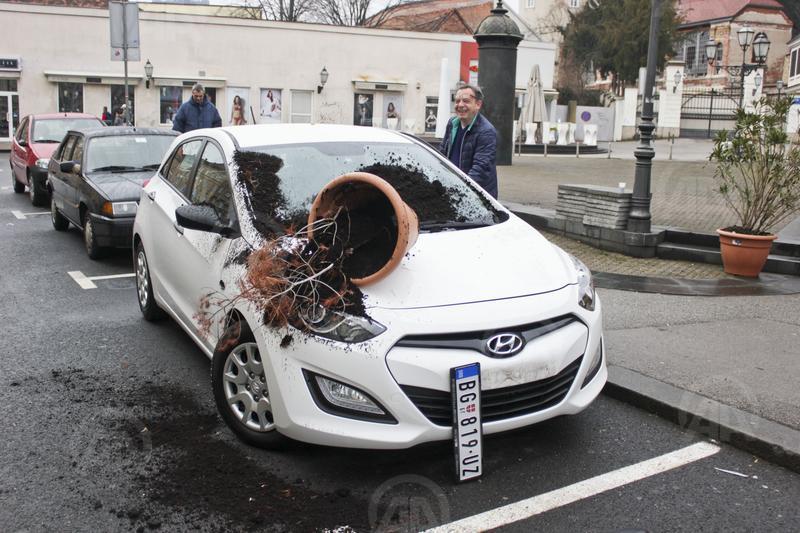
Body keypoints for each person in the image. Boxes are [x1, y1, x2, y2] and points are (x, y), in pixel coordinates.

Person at [439, 84, 498, 198]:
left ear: (478, 104)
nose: (460, 105)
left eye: (466, 101)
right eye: (457, 101)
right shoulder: (452, 123)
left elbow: (480, 169)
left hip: (475, 196)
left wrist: (459, 191)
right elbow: (442, 155)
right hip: (451, 189)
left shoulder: (486, 131)